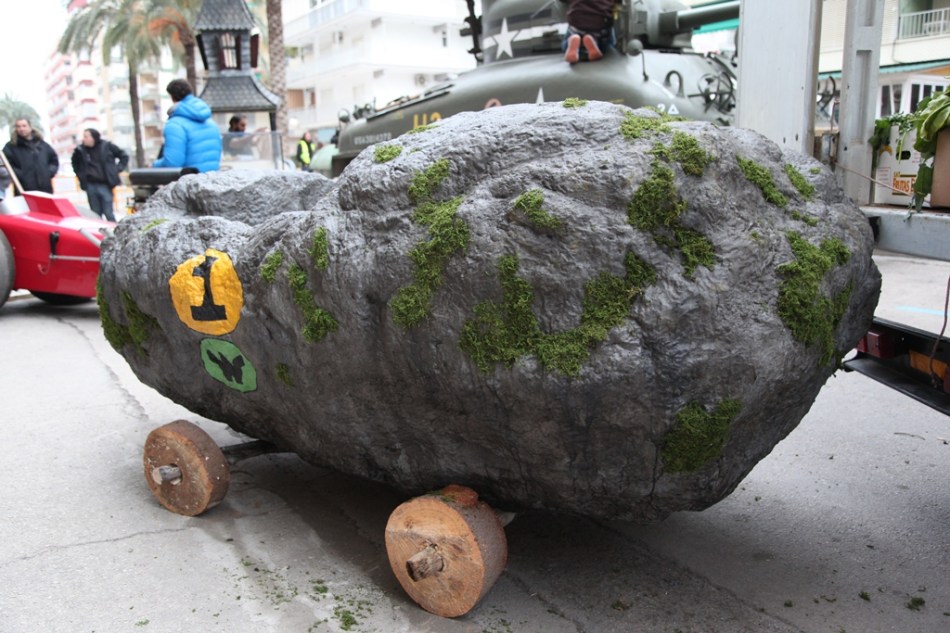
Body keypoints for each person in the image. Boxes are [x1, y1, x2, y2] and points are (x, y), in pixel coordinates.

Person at [153, 79, 222, 172]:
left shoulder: (175, 125)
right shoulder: (210, 122)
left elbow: (172, 163)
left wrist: (155, 165)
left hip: (189, 183)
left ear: (172, 97)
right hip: (211, 181)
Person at [71, 128, 129, 222]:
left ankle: (114, 233)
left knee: (108, 212)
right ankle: (99, 234)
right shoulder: (80, 150)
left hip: (105, 184)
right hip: (90, 185)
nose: (84, 139)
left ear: (93, 138)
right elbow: (75, 163)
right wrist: (80, 175)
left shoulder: (107, 146)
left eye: (86, 136)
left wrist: (116, 170)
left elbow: (124, 156)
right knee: (95, 214)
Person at [2, 118, 59, 194]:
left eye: (24, 126)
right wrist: (20, 175)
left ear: (30, 127)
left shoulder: (43, 145)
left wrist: (48, 172)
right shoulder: (10, 147)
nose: (21, 129)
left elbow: (54, 160)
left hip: (45, 189)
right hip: (23, 190)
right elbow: (6, 164)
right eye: (18, 126)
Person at [560, 0, 617, 64]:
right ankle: (595, 46)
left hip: (577, 23)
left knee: (569, 39)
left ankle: (573, 41)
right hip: (599, 24)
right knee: (607, 46)